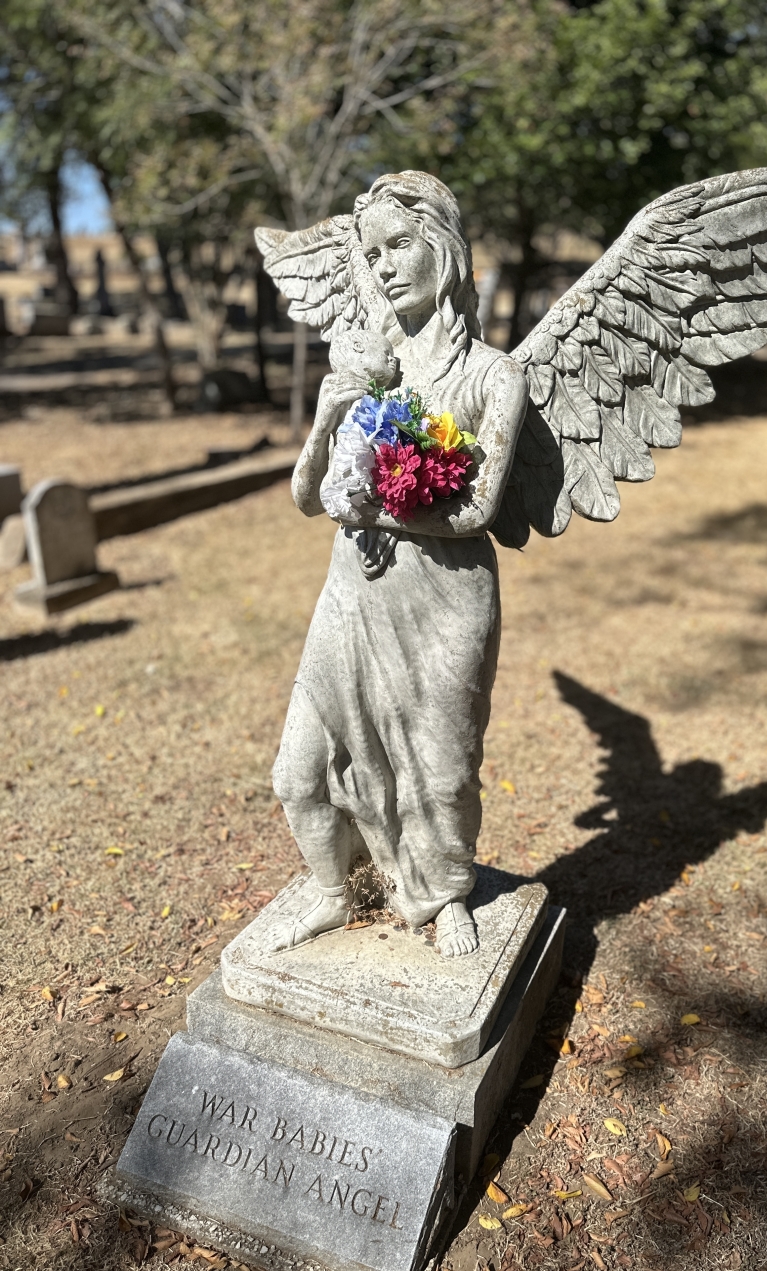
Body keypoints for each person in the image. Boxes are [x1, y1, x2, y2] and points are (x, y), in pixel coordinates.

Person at [271, 172, 528, 958]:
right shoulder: (369, 361)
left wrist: (372, 505)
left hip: (445, 598)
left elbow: (478, 509)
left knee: (443, 774)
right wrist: (329, 408)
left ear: (444, 251)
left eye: (398, 245)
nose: (380, 267)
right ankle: (329, 889)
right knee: (299, 771)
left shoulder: (494, 375)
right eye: (370, 252)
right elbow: (307, 495)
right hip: (353, 590)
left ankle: (444, 893)